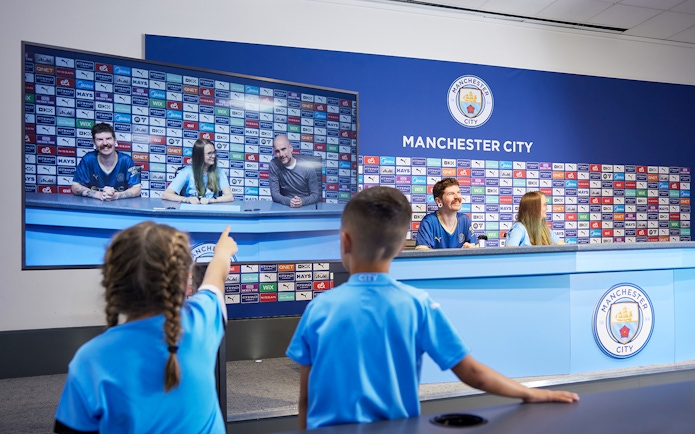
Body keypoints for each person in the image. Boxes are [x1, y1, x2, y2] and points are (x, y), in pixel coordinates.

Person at [286, 187, 579, 430]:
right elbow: (472, 373)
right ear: (402, 247)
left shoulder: (319, 308)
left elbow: (305, 399)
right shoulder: (418, 305)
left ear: (345, 240)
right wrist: (529, 393)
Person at [54, 222, 238, 433]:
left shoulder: (89, 360)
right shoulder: (201, 320)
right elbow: (216, 276)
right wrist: (222, 252)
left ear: (113, 282)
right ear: (187, 278)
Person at [71, 123, 142, 201]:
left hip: (121, 208)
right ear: (94, 142)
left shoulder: (126, 160)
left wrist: (116, 196)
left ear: (115, 140)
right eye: (100, 140)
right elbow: (75, 187)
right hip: (94, 208)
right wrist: (98, 194)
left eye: (108, 138)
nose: (105, 143)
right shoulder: (88, 159)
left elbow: (137, 189)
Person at [161, 139, 234, 205]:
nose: (214, 156)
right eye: (209, 153)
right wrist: (186, 199)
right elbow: (166, 194)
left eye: (214, 152)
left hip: (212, 212)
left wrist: (212, 200)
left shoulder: (219, 171)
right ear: (199, 156)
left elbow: (229, 196)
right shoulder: (186, 172)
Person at [415, 177, 477, 249]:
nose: (457, 197)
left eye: (458, 192)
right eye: (451, 194)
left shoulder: (464, 220)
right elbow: (422, 253)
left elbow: (476, 248)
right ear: (438, 201)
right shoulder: (429, 222)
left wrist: (471, 249)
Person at [269, 134, 320, 208]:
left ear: (291, 148)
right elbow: (275, 194)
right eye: (277, 151)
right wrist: (289, 201)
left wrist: (302, 201)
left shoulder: (307, 167)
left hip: (305, 207)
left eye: (283, 149)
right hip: (286, 207)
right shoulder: (274, 164)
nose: (281, 154)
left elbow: (315, 195)